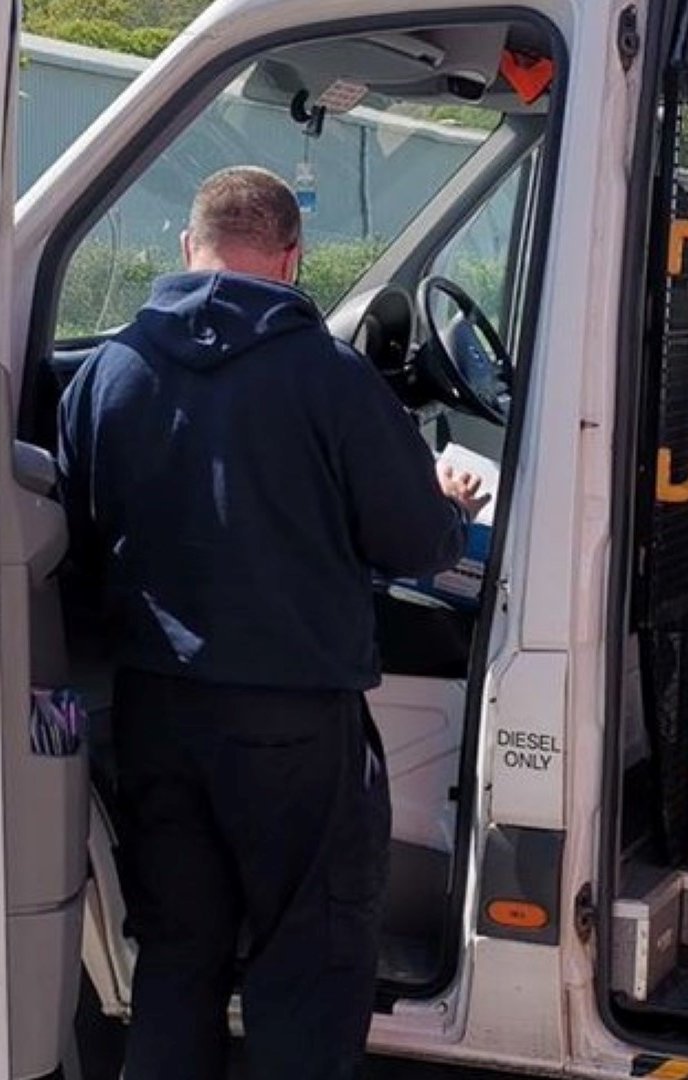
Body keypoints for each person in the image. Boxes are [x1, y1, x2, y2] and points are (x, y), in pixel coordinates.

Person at [57, 166, 488, 1080]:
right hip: (293, 730)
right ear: (292, 260)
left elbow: (82, 543)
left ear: (188, 245)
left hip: (154, 717)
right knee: (307, 969)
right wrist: (444, 498)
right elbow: (414, 544)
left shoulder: (106, 375)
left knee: (176, 961)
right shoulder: (328, 379)